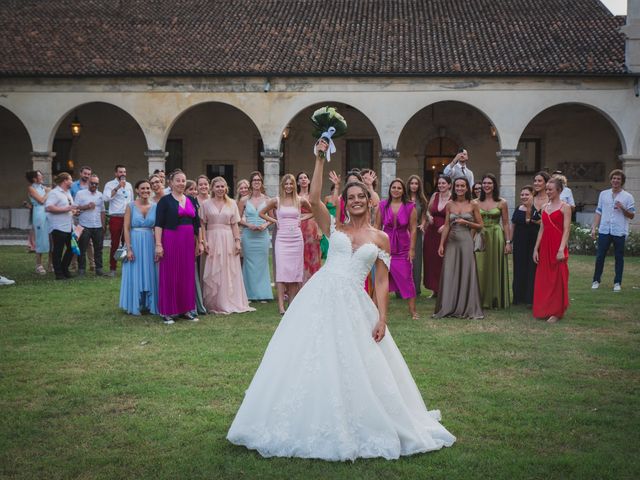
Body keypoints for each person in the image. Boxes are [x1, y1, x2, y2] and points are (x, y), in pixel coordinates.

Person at [227, 139, 456, 461]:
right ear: (345, 203)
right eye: (351, 197)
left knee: (356, 363)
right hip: (319, 296)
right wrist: (319, 158)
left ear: (369, 200)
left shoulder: (381, 238)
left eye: (362, 196)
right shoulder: (333, 226)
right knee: (308, 356)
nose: (357, 200)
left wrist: (382, 317)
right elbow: (316, 197)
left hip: (353, 302)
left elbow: (379, 280)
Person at [201, 177, 255, 314]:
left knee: (229, 268)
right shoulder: (206, 204)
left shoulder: (231, 203)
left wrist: (237, 241)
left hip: (228, 238)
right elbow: (202, 224)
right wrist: (204, 241)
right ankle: (213, 302)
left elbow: (234, 224)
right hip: (212, 237)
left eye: (222, 186)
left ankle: (229, 300)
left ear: (226, 188)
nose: (220, 189)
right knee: (214, 267)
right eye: (217, 186)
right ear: (212, 188)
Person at [154, 170, 202, 324]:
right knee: (170, 274)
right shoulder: (164, 201)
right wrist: (158, 244)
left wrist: (199, 242)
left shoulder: (191, 199)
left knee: (186, 274)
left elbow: (197, 224)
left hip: (188, 241)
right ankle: (167, 311)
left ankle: (187, 310)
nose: (181, 183)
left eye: (183, 180)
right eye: (178, 180)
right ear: (171, 183)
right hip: (171, 239)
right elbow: (158, 224)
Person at [433, 177, 484, 319]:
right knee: (450, 271)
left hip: (466, 240)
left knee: (466, 271)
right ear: (454, 188)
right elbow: (447, 225)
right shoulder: (450, 204)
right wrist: (441, 244)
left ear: (467, 188)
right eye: (457, 186)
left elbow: (480, 225)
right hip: (452, 241)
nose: (460, 188)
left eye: (463, 186)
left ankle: (467, 307)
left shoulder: (473, 204)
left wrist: (466, 222)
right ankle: (448, 306)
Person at [259, 174, 310, 315]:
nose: (288, 186)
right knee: (282, 272)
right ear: (282, 185)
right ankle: (281, 306)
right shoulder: (276, 200)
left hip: (296, 238)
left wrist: (302, 218)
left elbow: (313, 212)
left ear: (294, 185)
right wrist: (275, 221)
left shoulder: (300, 200)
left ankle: (292, 303)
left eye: (291, 184)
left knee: (294, 272)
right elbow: (261, 213)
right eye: (286, 184)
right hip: (282, 239)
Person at [375, 178, 419, 319]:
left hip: (403, 247)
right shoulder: (382, 205)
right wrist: (375, 246)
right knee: (381, 278)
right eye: (393, 187)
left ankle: (413, 311)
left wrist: (412, 249)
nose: (396, 190)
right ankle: (375, 310)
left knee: (407, 278)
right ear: (390, 189)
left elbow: (413, 229)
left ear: (403, 190)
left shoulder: (410, 206)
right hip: (385, 245)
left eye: (399, 188)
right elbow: (376, 227)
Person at [533, 178, 571, 322]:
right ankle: (544, 309)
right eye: (547, 189)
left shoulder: (565, 207)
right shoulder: (544, 207)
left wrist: (562, 248)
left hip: (558, 245)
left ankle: (556, 312)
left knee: (557, 278)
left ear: (559, 190)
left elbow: (567, 229)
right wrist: (536, 249)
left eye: (550, 189)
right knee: (545, 279)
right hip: (545, 246)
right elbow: (541, 230)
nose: (547, 191)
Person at [591, 169, 636, 292]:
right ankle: (596, 280)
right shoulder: (603, 194)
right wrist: (594, 227)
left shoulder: (628, 196)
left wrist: (623, 208)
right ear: (611, 180)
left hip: (619, 231)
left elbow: (632, 215)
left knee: (619, 257)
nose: (616, 181)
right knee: (600, 256)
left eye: (618, 179)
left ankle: (617, 282)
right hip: (605, 230)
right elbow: (598, 211)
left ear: (622, 181)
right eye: (614, 178)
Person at [119, 180, 158, 315]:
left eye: (148, 188)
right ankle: (135, 304)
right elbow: (126, 227)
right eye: (142, 188)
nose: (146, 191)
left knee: (150, 272)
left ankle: (150, 304)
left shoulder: (155, 206)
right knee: (135, 272)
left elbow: (157, 228)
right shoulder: (130, 206)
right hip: (134, 241)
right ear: (136, 190)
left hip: (149, 242)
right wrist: (129, 248)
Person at [475, 174, 511, 309]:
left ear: (494, 185)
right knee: (480, 267)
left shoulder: (502, 202)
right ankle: (480, 298)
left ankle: (495, 299)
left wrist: (508, 242)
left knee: (495, 266)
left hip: (496, 236)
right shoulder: (475, 202)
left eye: (489, 183)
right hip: (480, 236)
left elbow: (506, 223)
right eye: (484, 183)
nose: (486, 185)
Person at [238, 171, 273, 301]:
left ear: (261, 183)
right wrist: (248, 225)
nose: (257, 182)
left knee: (262, 263)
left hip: (262, 235)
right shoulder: (244, 200)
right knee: (249, 263)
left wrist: (265, 225)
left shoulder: (268, 200)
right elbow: (237, 218)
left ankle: (263, 294)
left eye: (259, 180)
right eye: (254, 180)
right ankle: (249, 294)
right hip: (249, 235)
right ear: (251, 183)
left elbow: (272, 218)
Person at [45, 173, 78, 280]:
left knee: (72, 248)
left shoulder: (67, 193)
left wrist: (74, 211)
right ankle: (59, 274)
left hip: (68, 226)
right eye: (71, 179)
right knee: (58, 250)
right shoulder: (54, 193)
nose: (72, 182)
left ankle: (64, 269)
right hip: (58, 226)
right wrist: (66, 209)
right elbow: (49, 207)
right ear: (65, 181)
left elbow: (68, 207)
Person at [423, 175, 452, 298]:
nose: (441, 185)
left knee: (442, 260)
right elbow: (428, 210)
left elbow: (455, 215)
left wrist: (446, 226)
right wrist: (429, 216)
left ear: (449, 185)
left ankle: (443, 289)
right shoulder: (435, 196)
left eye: (443, 183)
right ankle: (434, 290)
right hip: (431, 232)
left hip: (445, 233)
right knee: (431, 260)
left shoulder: (453, 198)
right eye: (439, 183)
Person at [103, 165, 134, 276]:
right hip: (116, 217)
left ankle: (127, 267)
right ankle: (113, 269)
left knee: (127, 243)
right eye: (120, 172)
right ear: (116, 173)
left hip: (127, 217)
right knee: (115, 243)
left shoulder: (129, 185)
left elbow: (131, 201)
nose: (123, 174)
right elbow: (106, 198)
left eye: (124, 172)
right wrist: (117, 187)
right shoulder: (109, 184)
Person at [510, 186, 537, 306]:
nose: (524, 197)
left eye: (527, 194)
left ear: (532, 195)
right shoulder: (518, 208)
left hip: (532, 242)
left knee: (531, 269)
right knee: (519, 268)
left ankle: (529, 298)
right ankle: (518, 297)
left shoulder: (537, 209)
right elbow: (513, 225)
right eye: (522, 195)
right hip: (519, 242)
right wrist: (509, 242)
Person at [75, 174, 106, 276]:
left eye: (96, 184)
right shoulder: (80, 194)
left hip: (97, 226)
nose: (94, 185)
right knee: (82, 249)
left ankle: (99, 269)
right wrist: (86, 206)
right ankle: (81, 269)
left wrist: (103, 225)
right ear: (88, 183)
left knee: (98, 249)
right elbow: (75, 208)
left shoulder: (100, 195)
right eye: (92, 183)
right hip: (84, 225)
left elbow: (102, 211)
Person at [186, 179, 207, 315]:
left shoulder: (194, 202)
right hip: (182, 238)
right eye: (191, 189)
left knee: (195, 271)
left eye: (195, 189)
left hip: (193, 238)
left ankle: (197, 303)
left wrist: (200, 241)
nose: (194, 191)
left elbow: (198, 225)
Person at [297, 171, 321, 284]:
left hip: (312, 227)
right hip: (298, 227)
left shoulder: (313, 196)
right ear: (297, 182)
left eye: (305, 177)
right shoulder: (295, 197)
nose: (303, 179)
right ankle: (300, 283)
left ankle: (313, 283)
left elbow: (319, 212)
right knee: (299, 255)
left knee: (313, 254)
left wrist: (320, 230)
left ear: (309, 180)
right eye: (300, 178)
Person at [26, 170, 50, 275]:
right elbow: (41, 200)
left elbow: (52, 191)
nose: (42, 177)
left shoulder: (42, 187)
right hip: (39, 213)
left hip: (48, 212)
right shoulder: (31, 188)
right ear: (34, 179)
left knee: (51, 238)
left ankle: (51, 264)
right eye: (40, 176)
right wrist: (48, 193)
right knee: (40, 238)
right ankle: (39, 265)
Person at [407, 174, 428, 296]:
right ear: (408, 185)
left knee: (416, 260)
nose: (414, 186)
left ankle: (415, 288)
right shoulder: (404, 198)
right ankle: (402, 289)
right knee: (404, 260)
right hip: (405, 232)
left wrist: (423, 224)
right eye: (412, 183)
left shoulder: (422, 200)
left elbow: (424, 215)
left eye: (416, 183)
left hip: (417, 233)